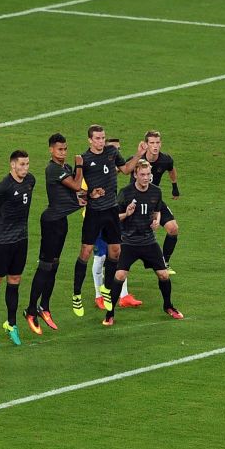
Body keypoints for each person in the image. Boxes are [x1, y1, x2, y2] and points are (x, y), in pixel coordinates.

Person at [72, 125, 142, 316]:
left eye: (103, 138)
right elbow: (75, 188)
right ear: (90, 140)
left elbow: (127, 169)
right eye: (97, 138)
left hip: (111, 210)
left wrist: (139, 153)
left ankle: (107, 290)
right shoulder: (84, 159)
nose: (101, 141)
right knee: (86, 253)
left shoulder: (112, 152)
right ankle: (77, 295)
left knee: (116, 252)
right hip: (94, 212)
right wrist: (90, 194)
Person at [103, 160, 183, 325]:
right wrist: (126, 213)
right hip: (129, 242)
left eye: (148, 175)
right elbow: (113, 217)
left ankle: (168, 306)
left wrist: (156, 221)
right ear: (135, 175)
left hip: (148, 241)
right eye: (142, 175)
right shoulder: (126, 193)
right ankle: (109, 313)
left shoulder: (156, 192)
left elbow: (157, 211)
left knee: (163, 274)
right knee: (120, 275)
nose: (146, 178)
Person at [23, 134, 83, 335]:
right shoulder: (53, 169)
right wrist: (80, 167)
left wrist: (89, 196)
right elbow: (75, 185)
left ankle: (44, 307)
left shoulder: (65, 169)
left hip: (61, 222)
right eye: (59, 149)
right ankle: (30, 310)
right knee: (45, 266)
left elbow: (73, 193)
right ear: (51, 150)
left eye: (65, 149)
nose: (63, 153)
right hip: (51, 222)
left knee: (54, 265)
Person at [0, 150, 35, 348]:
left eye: (27, 164)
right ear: (12, 165)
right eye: (21, 164)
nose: (25, 168)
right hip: (1, 242)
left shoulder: (31, 181)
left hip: (21, 240)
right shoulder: (3, 187)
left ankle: (11, 324)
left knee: (15, 281)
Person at [142, 130, 186, 273]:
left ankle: (164, 262)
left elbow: (171, 170)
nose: (155, 146)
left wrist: (175, 186)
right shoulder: (138, 160)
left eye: (157, 142)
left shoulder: (165, 159)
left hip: (155, 201)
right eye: (152, 143)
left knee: (173, 229)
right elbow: (124, 169)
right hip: (138, 203)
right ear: (146, 144)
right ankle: (110, 264)